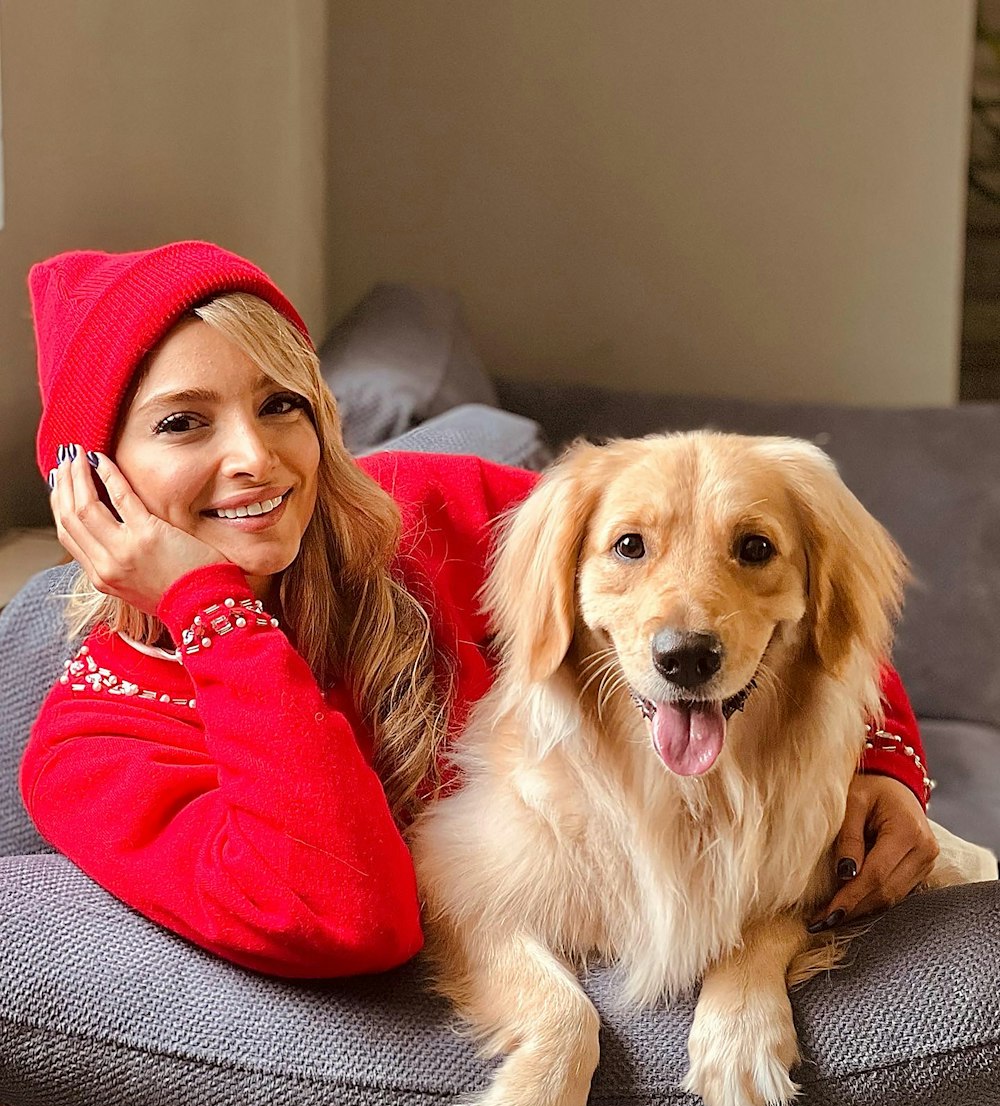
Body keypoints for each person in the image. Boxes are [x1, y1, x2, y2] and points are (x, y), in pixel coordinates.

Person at [19, 241, 938, 977]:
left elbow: (757, 598)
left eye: (280, 404)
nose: (256, 456)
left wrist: (888, 763)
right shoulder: (93, 751)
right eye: (184, 422)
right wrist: (208, 608)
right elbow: (351, 917)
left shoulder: (432, 507)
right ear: (88, 478)